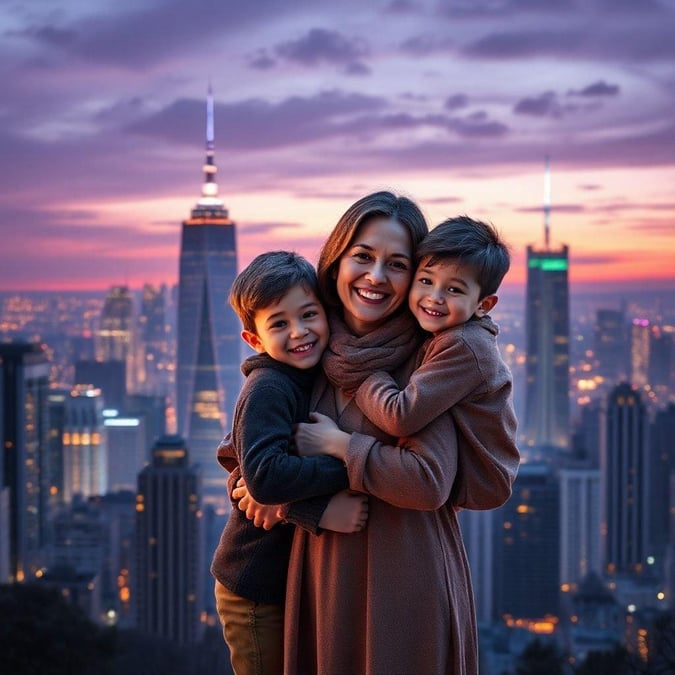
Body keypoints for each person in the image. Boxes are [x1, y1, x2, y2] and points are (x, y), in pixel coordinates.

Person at [282, 192, 520, 674]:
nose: (376, 277)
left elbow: (427, 482)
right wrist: (298, 503)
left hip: (404, 574)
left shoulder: (427, 359)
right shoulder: (307, 343)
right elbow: (242, 459)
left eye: (397, 263)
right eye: (363, 257)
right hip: (322, 576)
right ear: (336, 261)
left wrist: (345, 450)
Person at [210, 251, 368, 675]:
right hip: (255, 590)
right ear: (255, 339)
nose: (300, 332)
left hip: (286, 582)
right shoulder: (269, 387)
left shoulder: (308, 374)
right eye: (279, 323)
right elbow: (264, 479)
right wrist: (354, 464)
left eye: (309, 315)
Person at [345, 216, 518, 495]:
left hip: (481, 478)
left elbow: (401, 416)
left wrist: (361, 372)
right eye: (426, 280)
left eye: (453, 289)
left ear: (483, 305)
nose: (434, 297)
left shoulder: (464, 344)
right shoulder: (445, 333)